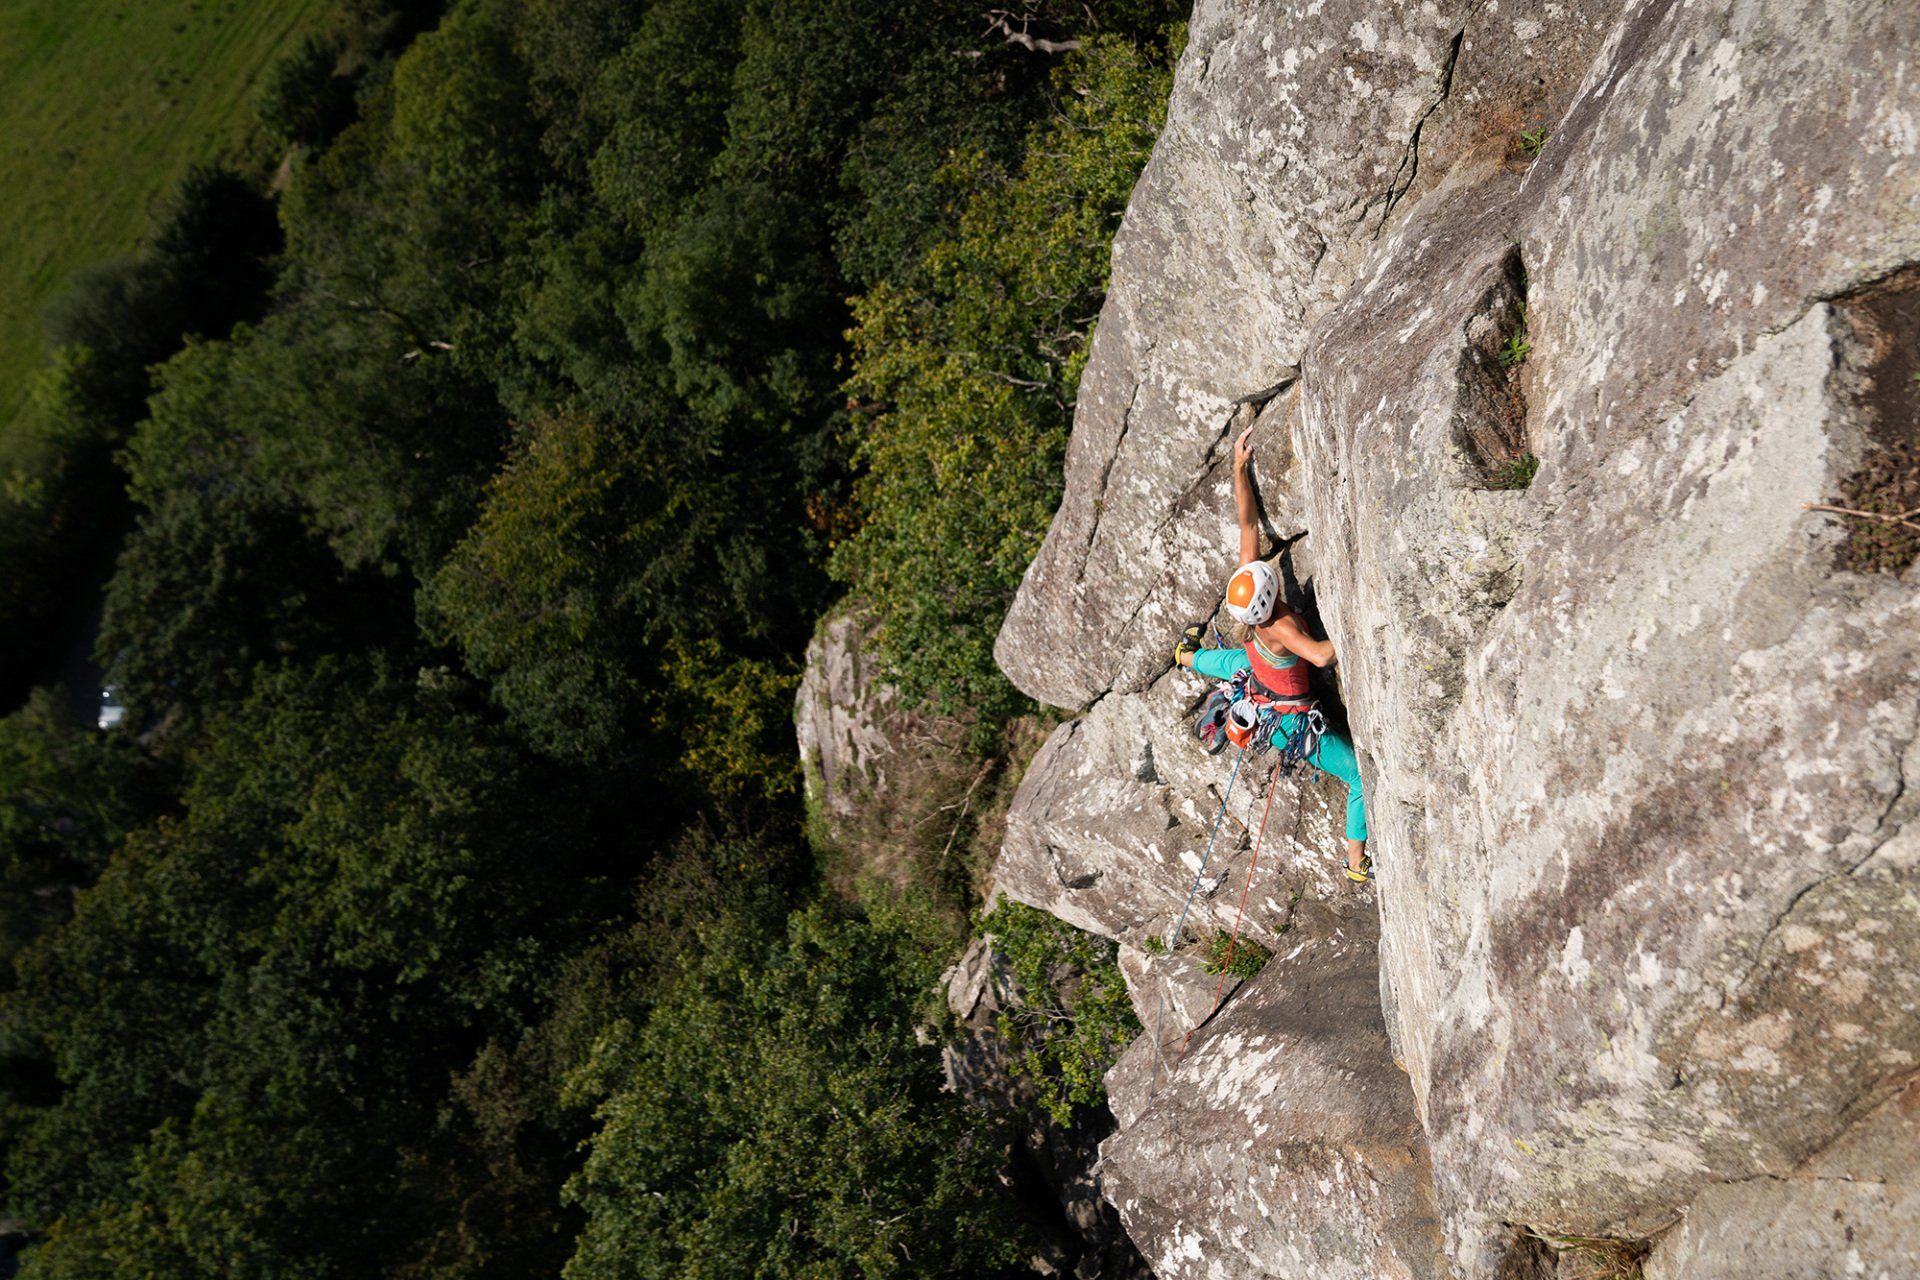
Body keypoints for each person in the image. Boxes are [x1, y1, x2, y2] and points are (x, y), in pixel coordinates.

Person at [1173, 425, 1371, 883]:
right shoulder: (1281, 625)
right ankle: (1356, 863)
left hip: (1258, 677)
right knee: (1359, 776)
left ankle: (1185, 657)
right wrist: (1361, 623)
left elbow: (1247, 524)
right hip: (1289, 721)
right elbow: (1322, 656)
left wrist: (1238, 467)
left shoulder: (1252, 604)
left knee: (1233, 662)